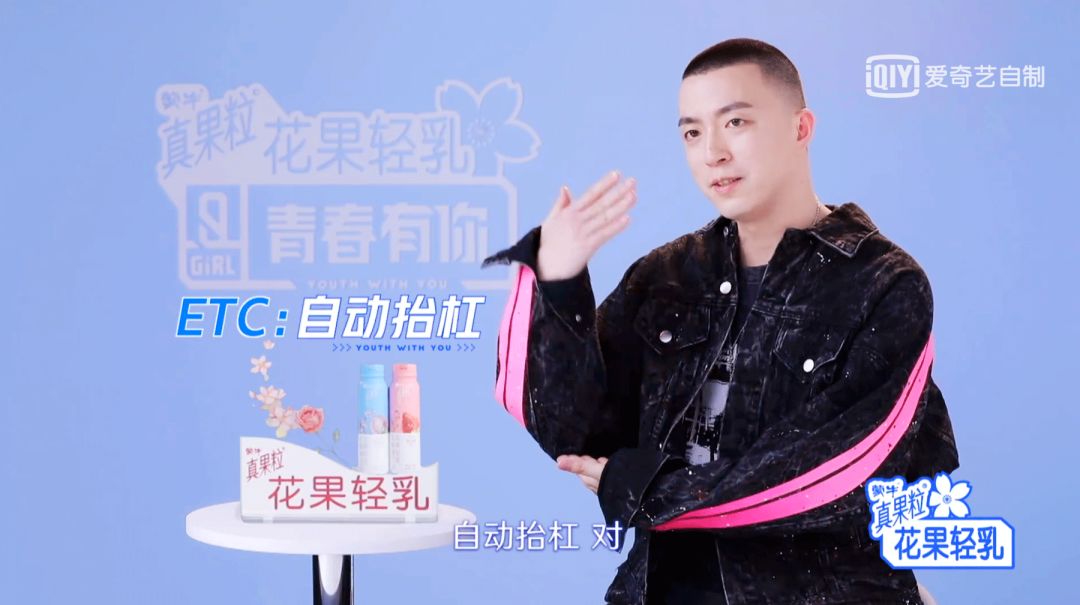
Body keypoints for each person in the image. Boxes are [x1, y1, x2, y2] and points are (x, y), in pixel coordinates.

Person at [481, 38, 959, 604]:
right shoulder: (665, 275)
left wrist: (651, 490)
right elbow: (569, 431)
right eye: (692, 132)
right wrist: (558, 279)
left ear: (801, 127)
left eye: (735, 122)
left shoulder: (884, 282)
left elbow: (841, 471)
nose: (713, 153)